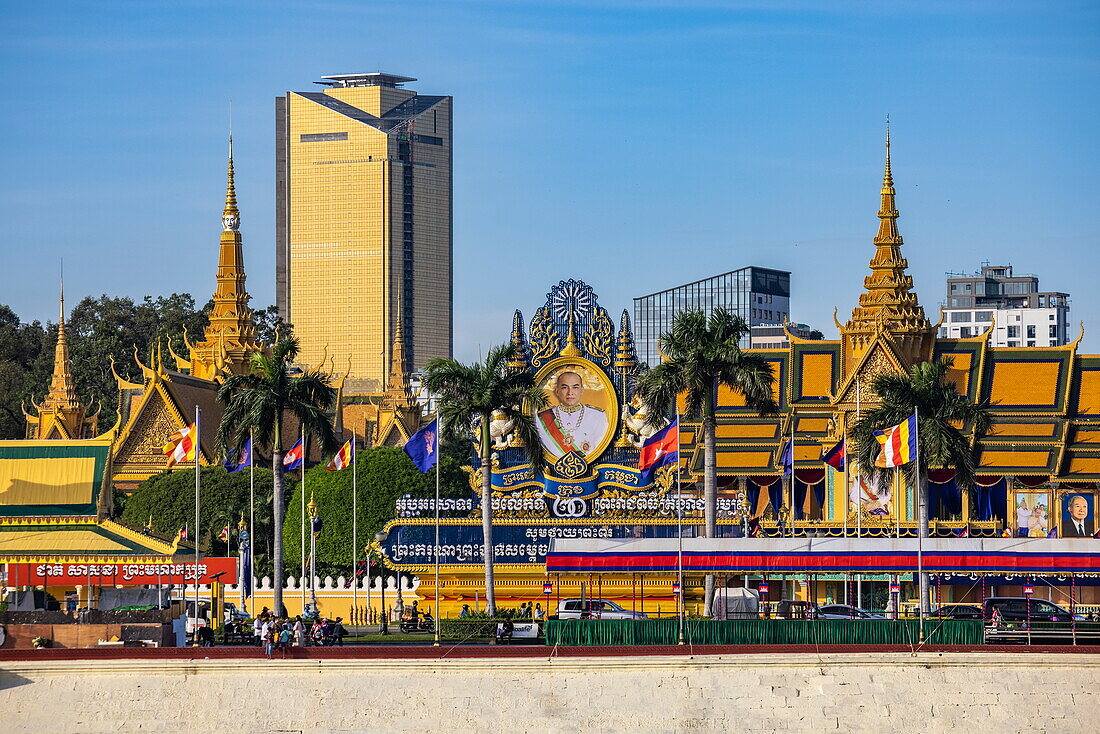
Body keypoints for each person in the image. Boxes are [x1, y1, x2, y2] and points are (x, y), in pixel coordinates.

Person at [535, 371, 609, 458]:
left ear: (582, 390)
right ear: (557, 391)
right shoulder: (541, 418)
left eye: (575, 387)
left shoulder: (598, 416)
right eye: (564, 387)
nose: (570, 392)